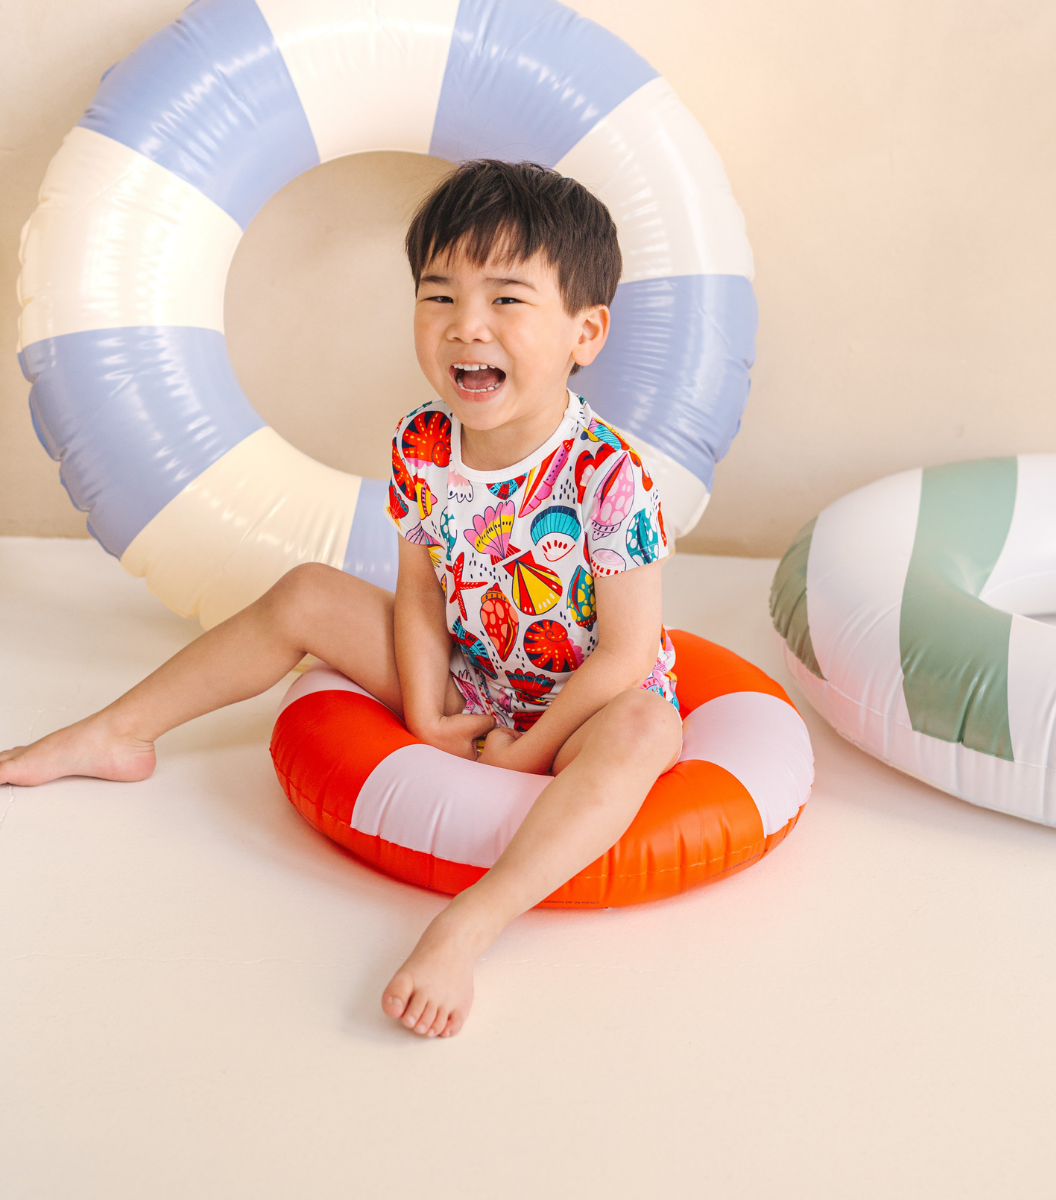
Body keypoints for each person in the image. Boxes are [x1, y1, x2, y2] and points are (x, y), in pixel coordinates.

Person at [0, 160, 683, 1039]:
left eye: (507, 300)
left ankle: (469, 926)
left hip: (586, 705)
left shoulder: (608, 475)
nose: (466, 325)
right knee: (307, 592)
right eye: (439, 296)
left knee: (645, 728)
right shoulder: (423, 440)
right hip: (477, 675)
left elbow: (627, 655)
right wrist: (429, 711)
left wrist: (532, 750)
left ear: (585, 332)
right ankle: (115, 733)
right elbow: (420, 593)